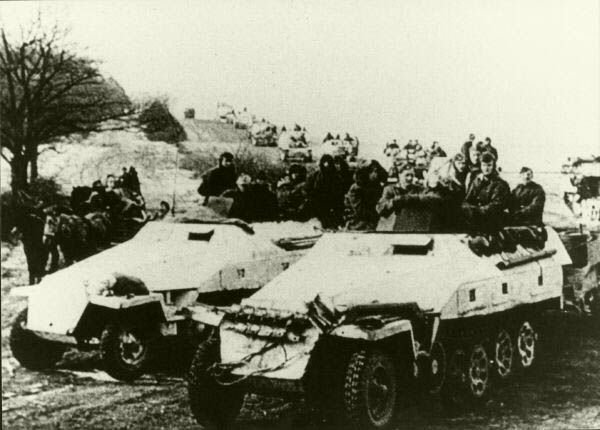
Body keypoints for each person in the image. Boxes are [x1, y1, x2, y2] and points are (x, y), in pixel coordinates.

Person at [376, 162, 442, 231]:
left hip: (415, 227)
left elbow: (436, 198)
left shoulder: (419, 189)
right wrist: (395, 201)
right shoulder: (390, 189)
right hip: (394, 229)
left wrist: (412, 198)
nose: (410, 178)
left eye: (412, 175)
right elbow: (380, 208)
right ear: (399, 175)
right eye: (407, 175)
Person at [462, 151, 510, 232]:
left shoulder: (500, 184)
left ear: (493, 166)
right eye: (484, 165)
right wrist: (467, 208)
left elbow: (495, 207)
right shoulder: (477, 180)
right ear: (480, 166)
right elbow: (467, 200)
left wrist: (474, 210)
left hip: (492, 221)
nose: (486, 168)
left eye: (489, 165)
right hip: (476, 217)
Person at [345, 160, 385, 230]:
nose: (376, 174)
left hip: (374, 221)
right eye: (374, 172)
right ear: (367, 172)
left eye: (377, 171)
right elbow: (360, 210)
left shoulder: (377, 186)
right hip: (358, 223)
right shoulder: (356, 188)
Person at [305, 154, 341, 228]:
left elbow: (338, 191)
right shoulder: (316, 175)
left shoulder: (336, 176)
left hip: (332, 201)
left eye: (328, 163)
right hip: (319, 201)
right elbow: (308, 188)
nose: (326, 165)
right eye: (324, 163)